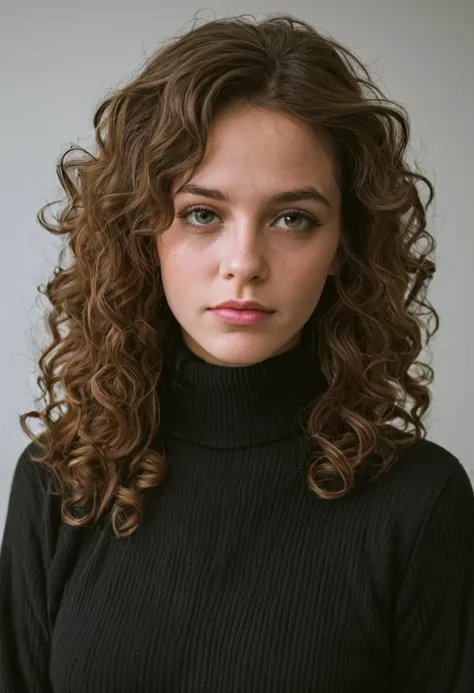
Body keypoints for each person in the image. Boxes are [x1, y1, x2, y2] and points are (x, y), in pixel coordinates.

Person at [1, 12, 473, 693]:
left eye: (293, 218)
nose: (244, 262)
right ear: (143, 231)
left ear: (344, 246)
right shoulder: (62, 480)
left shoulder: (420, 502)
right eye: (203, 213)